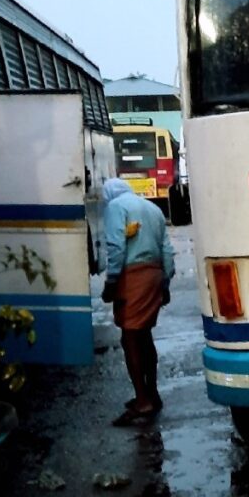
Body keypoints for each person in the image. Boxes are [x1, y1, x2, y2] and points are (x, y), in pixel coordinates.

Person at [100, 178, 175, 426]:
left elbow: (116, 247)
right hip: (154, 274)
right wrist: (164, 281)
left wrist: (111, 282)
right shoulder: (153, 209)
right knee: (144, 336)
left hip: (132, 276)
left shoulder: (114, 208)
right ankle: (152, 394)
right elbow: (166, 248)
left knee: (130, 337)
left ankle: (142, 401)